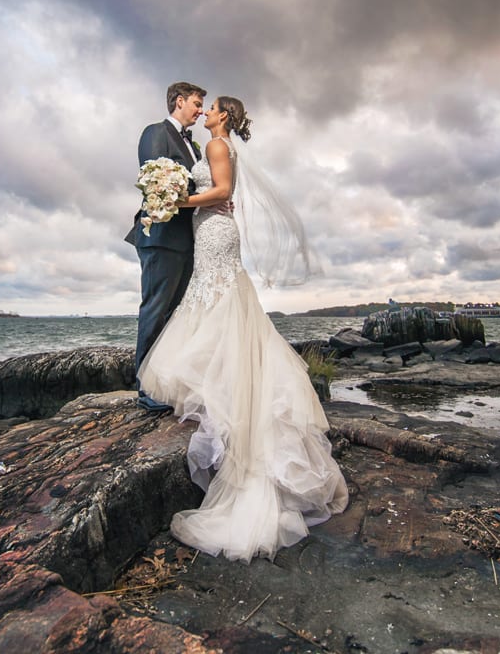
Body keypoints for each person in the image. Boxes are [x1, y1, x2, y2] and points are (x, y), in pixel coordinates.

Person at [138, 96, 348, 562]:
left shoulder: (216, 145)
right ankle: (223, 381)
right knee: (216, 302)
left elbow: (221, 191)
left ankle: (222, 389)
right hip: (211, 231)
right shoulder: (216, 145)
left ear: (225, 116)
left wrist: (179, 200)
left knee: (216, 301)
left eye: (211, 107)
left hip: (214, 230)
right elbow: (223, 191)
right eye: (203, 105)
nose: (206, 111)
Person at [126, 81, 206, 413]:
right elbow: (155, 181)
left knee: (176, 315)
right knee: (156, 310)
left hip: (188, 239)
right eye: (197, 103)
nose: (201, 110)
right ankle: (146, 388)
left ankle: (167, 382)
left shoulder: (196, 147)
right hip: (160, 238)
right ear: (179, 101)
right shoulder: (155, 132)